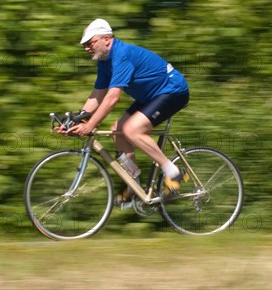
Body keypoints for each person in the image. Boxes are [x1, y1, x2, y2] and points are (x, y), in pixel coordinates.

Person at [61, 18, 190, 205]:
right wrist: (76, 119)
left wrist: (90, 125)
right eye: (84, 45)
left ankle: (174, 173)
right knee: (118, 131)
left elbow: (112, 98)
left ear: (107, 39)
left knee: (132, 130)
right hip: (151, 97)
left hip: (173, 91)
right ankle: (133, 185)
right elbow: (97, 95)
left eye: (91, 42)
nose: (87, 48)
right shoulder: (105, 62)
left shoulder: (122, 55)